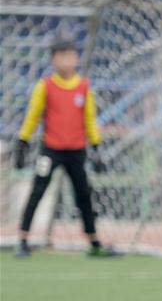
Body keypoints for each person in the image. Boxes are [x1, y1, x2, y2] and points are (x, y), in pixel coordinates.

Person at [14, 38, 116, 257]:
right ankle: (22, 239)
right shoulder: (45, 86)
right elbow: (33, 116)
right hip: (51, 149)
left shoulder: (84, 87)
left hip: (76, 151)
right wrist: (22, 141)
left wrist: (96, 147)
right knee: (37, 192)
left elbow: (90, 119)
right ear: (53, 60)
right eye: (60, 56)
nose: (65, 61)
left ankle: (94, 242)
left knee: (84, 195)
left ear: (76, 59)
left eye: (69, 55)